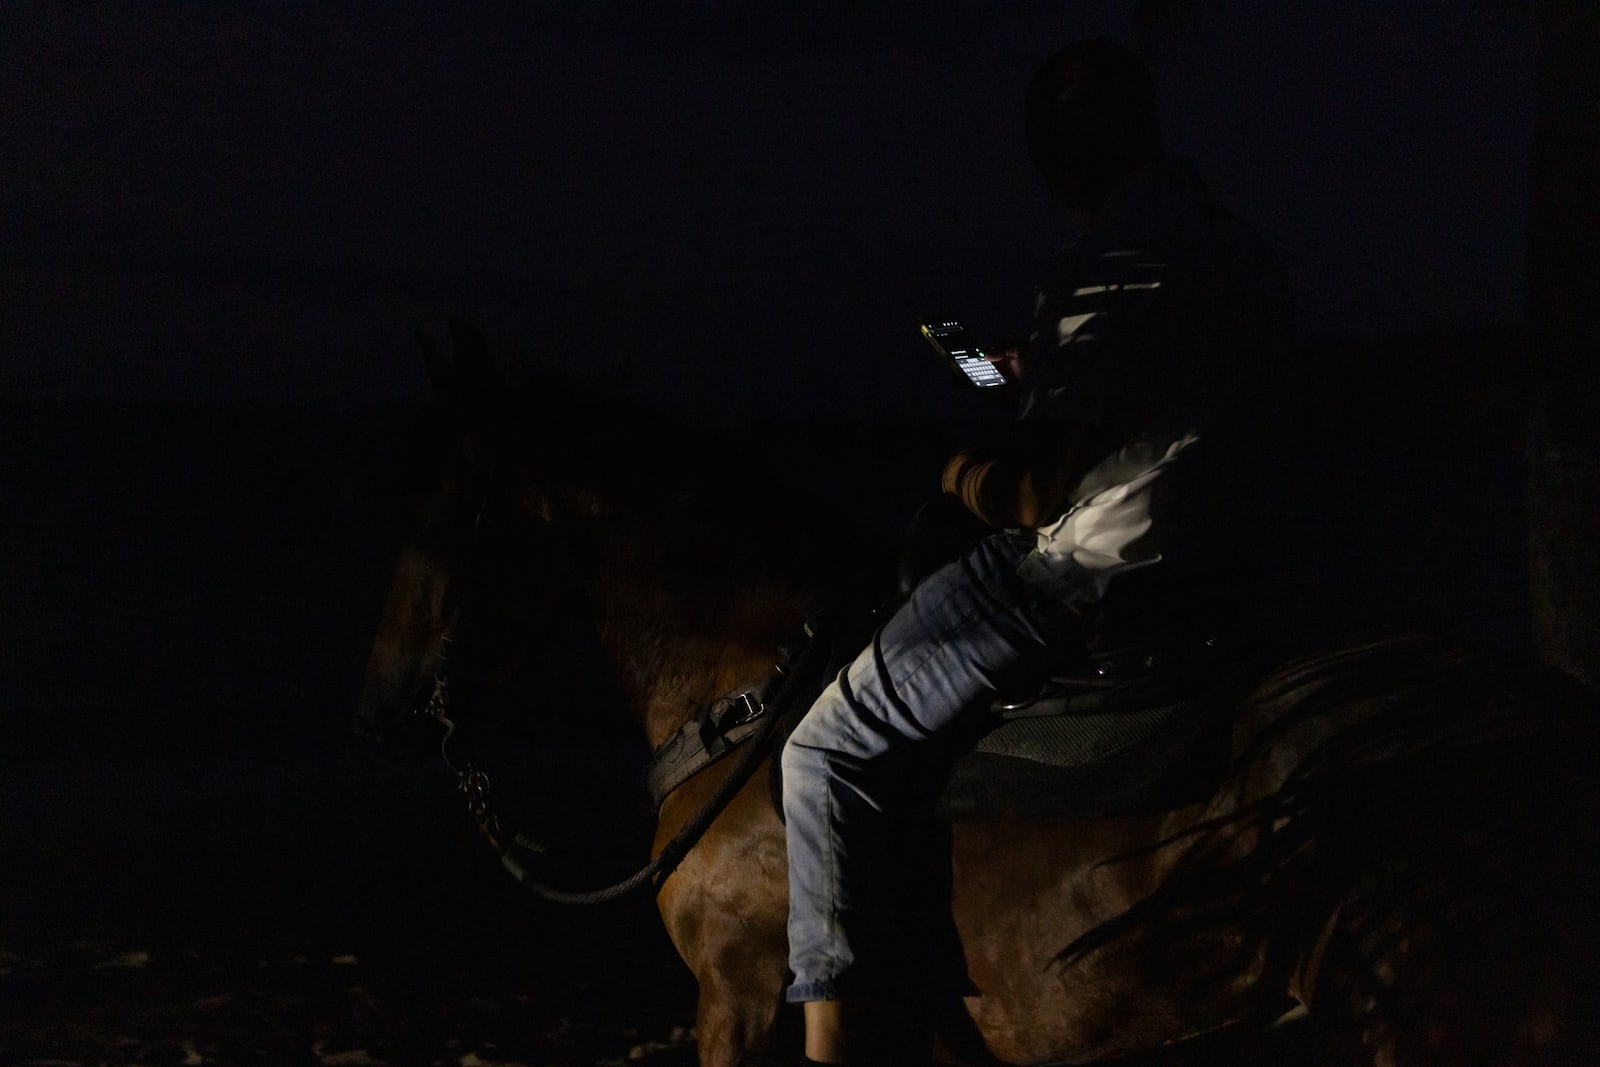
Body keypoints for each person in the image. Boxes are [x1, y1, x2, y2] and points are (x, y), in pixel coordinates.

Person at [778, 39, 1295, 1065]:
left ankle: (828, 1040)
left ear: (1058, 163)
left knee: (819, 752)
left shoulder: (1100, 263)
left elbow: (1036, 493)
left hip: (1088, 573)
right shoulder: (1241, 251)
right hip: (1218, 563)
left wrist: (959, 474)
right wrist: (1040, 370)